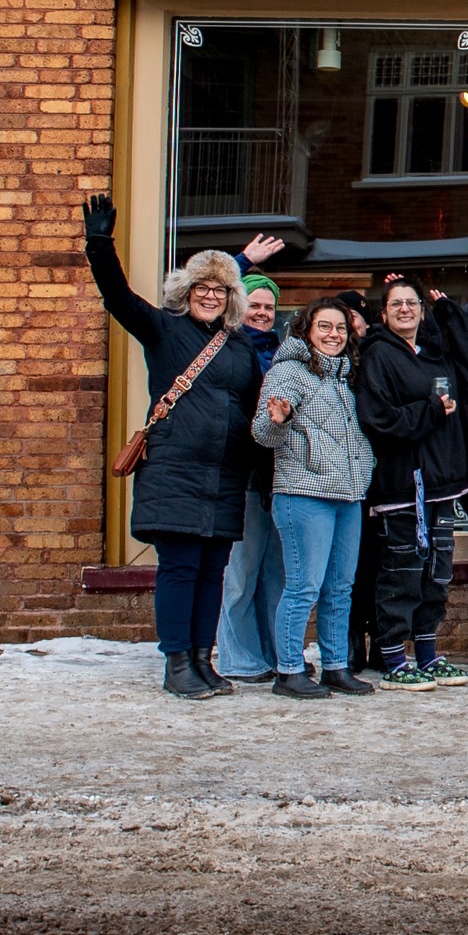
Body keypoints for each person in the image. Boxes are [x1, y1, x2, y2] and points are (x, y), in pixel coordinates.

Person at [82, 195, 264, 700]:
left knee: (212, 571)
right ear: (187, 292)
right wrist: (100, 243)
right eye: (202, 287)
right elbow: (118, 297)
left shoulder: (239, 346)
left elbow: (251, 405)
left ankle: (203, 660)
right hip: (175, 472)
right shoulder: (165, 330)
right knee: (181, 568)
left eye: (220, 289)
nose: (210, 296)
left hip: (225, 475)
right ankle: (176, 662)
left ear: (232, 299)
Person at [355, 278, 468, 692]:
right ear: (384, 313)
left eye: (412, 303)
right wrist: (428, 411)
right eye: (397, 304)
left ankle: (427, 652)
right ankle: (392, 656)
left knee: (436, 574)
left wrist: (446, 308)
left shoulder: (433, 356)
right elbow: (379, 420)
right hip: (400, 487)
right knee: (401, 574)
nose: (405, 309)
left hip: (441, 484)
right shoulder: (378, 356)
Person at [252, 297, 377, 699]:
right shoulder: (290, 372)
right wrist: (278, 419)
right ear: (306, 329)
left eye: (340, 328)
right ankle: (288, 670)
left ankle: (335, 666)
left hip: (348, 493)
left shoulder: (342, 376)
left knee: (340, 588)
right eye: (324, 327)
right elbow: (262, 432)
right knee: (304, 586)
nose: (333, 335)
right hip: (304, 493)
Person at [213, 271, 286, 683]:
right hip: (242, 474)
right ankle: (238, 657)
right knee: (241, 571)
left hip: (278, 476)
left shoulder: (283, 352)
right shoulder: (228, 347)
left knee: (274, 571)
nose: (261, 313)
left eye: (268, 307)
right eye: (254, 305)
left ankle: (275, 653)